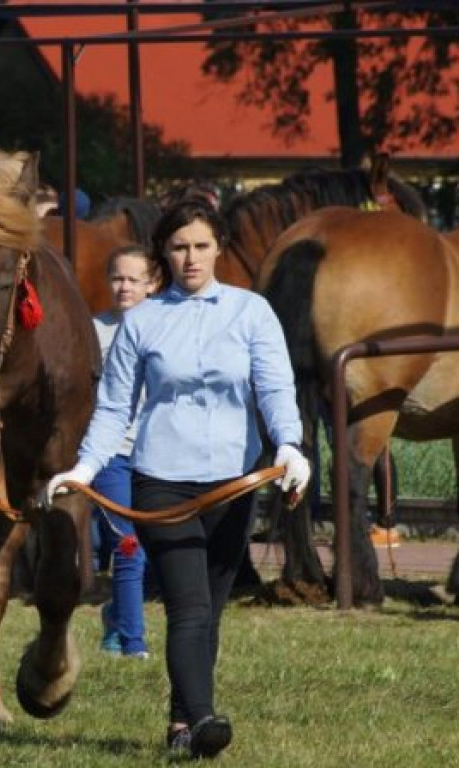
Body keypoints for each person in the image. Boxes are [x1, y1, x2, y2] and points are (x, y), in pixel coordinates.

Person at [44, 196, 310, 760]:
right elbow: (114, 408)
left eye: (201, 246)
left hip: (234, 483)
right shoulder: (142, 321)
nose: (191, 258)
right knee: (188, 606)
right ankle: (206, 719)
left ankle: (180, 723)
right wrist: (85, 468)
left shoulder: (251, 312)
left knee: (210, 608)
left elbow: (274, 388)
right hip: (161, 481)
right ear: (164, 252)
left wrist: (290, 444)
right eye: (179, 247)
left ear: (218, 248)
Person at [92, 244, 157, 659]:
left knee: (158, 549)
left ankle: (117, 612)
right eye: (117, 278)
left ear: (152, 283)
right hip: (111, 452)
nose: (124, 287)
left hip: (159, 454)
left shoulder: (166, 325)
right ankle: (132, 643)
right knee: (128, 546)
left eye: (134, 279)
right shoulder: (93, 329)